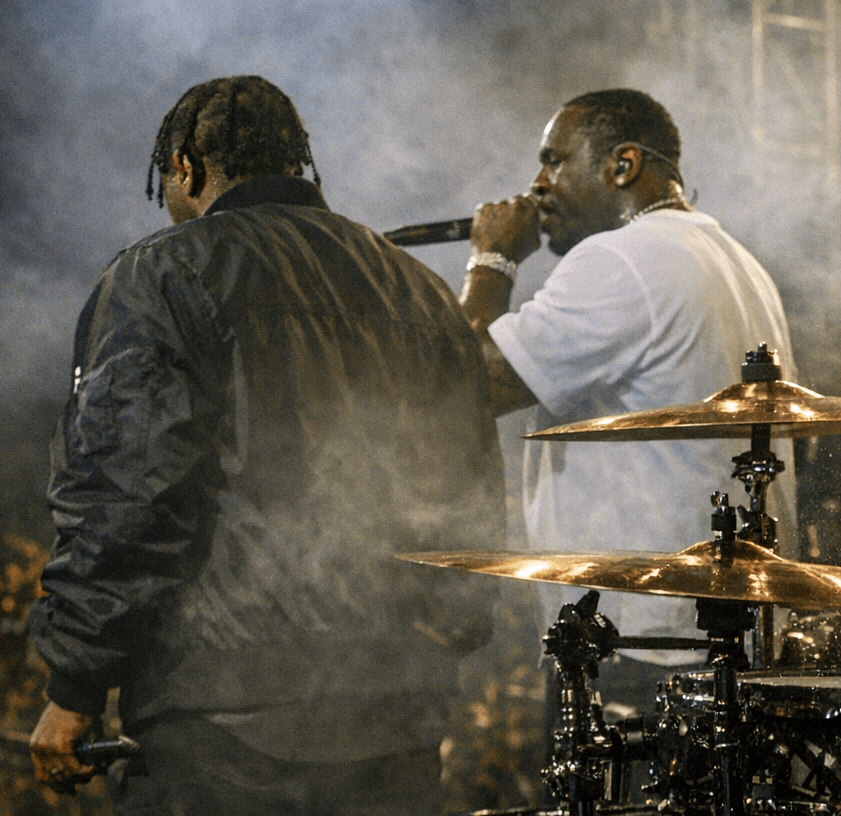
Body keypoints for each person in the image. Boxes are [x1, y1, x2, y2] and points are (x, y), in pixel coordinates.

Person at [27, 76, 502, 815]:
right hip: (395, 710)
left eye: (167, 183)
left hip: (224, 718)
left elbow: (130, 494)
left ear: (185, 166)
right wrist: (448, 635)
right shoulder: (418, 289)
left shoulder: (162, 273)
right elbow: (469, 480)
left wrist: (75, 685)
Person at [458, 88, 796, 702]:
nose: (537, 185)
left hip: (639, 645)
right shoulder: (739, 262)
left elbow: (465, 381)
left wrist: (492, 259)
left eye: (554, 160)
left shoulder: (622, 259)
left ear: (622, 165)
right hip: (722, 634)